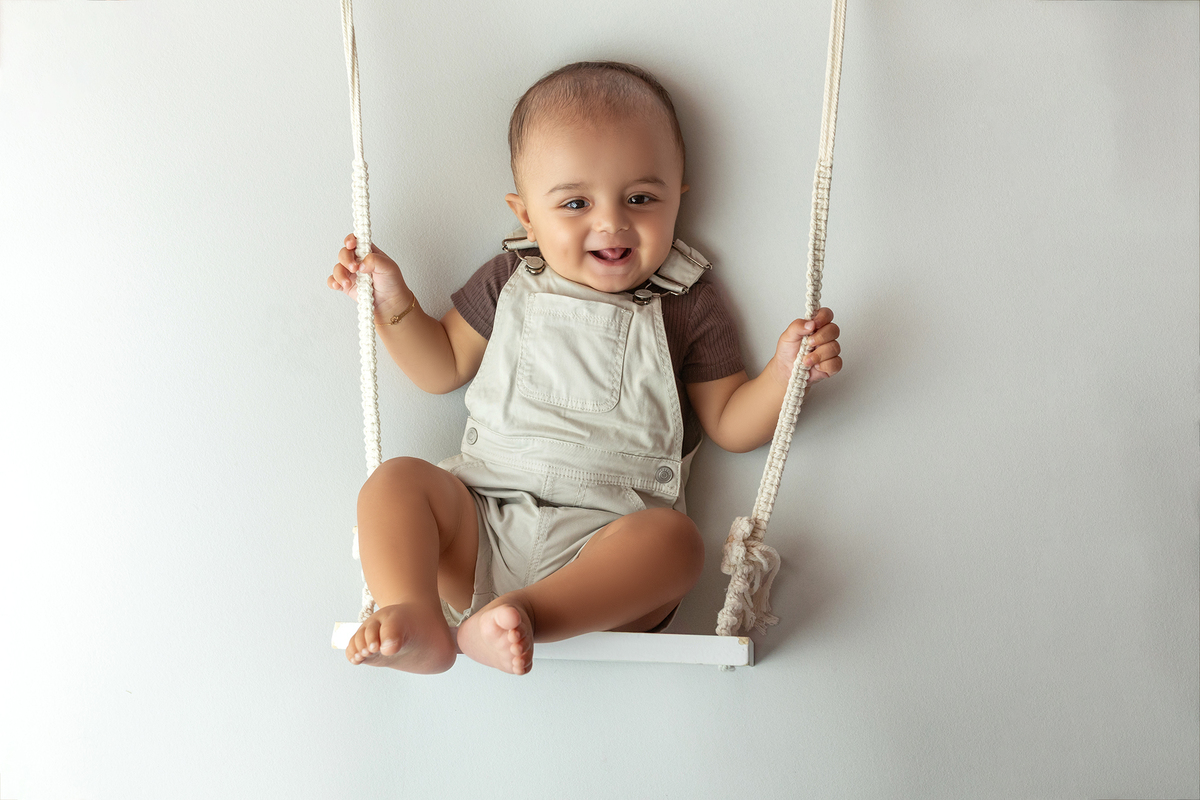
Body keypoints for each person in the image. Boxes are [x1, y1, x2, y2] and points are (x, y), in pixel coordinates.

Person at [326, 61, 842, 675]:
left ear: (679, 195)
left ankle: (523, 616)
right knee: (395, 482)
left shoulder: (687, 302)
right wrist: (392, 301)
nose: (612, 222)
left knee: (676, 545)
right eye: (575, 202)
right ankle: (411, 614)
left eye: (641, 198)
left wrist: (786, 371)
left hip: (607, 546)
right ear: (526, 216)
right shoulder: (508, 280)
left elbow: (731, 423)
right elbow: (439, 367)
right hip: (483, 518)